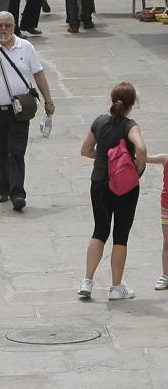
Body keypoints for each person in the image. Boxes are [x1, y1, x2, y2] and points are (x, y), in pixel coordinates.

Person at [0, 11, 56, 211]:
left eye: (7, 25)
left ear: (14, 26)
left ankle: (18, 193)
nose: (3, 29)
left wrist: (48, 100)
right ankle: (4, 187)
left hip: (20, 110)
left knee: (16, 152)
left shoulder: (26, 47)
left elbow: (39, 75)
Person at [78, 82, 149, 301]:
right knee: (121, 235)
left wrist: (103, 157)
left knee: (99, 230)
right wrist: (137, 168)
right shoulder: (130, 126)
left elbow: (85, 150)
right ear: (131, 104)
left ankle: (87, 281)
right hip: (124, 187)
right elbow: (142, 148)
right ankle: (116, 287)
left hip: (99, 182)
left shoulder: (99, 122)